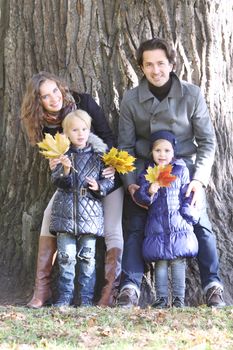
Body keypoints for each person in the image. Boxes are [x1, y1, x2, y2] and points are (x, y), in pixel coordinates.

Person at [117, 37, 225, 308]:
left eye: (161, 63)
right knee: (135, 225)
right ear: (141, 67)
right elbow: (126, 146)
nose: (156, 70)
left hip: (183, 171)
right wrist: (131, 183)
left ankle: (212, 286)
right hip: (146, 170)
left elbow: (208, 142)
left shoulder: (191, 94)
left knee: (200, 223)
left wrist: (198, 180)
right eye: (149, 64)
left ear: (172, 63)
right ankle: (129, 287)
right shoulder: (131, 99)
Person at [21, 71, 124, 308]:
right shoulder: (44, 126)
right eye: (45, 96)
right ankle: (42, 289)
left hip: (104, 177)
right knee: (49, 218)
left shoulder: (84, 102)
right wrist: (56, 163)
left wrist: (111, 164)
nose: (54, 98)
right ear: (38, 102)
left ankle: (110, 293)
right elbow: (54, 157)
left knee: (113, 228)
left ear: (61, 87)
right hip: (72, 186)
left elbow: (107, 135)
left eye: (55, 91)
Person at [49, 110, 114, 306]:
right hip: (65, 213)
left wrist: (99, 186)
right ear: (66, 133)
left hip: (90, 214)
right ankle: (65, 297)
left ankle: (86, 299)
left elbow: (108, 181)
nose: (80, 133)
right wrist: (66, 169)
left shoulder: (99, 156)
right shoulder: (61, 156)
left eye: (84, 129)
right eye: (75, 130)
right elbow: (57, 181)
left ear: (89, 130)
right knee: (66, 258)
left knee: (88, 259)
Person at [134, 130, 199, 308]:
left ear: (173, 152)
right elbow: (141, 196)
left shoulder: (180, 169)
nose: (162, 155)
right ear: (151, 153)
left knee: (178, 262)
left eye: (167, 150)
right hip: (157, 226)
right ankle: (161, 298)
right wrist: (150, 190)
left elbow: (188, 195)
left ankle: (178, 299)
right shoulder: (148, 172)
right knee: (160, 262)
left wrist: (190, 217)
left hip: (178, 223)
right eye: (158, 151)